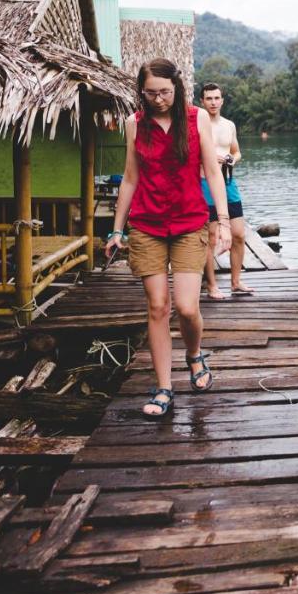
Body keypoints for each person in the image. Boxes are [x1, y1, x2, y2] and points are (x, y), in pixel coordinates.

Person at [105, 59, 231, 418]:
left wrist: (222, 220)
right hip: (147, 225)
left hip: (190, 222)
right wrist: (117, 229)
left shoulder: (196, 119)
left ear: (177, 88)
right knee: (158, 306)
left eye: (164, 92)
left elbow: (212, 170)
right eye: (150, 93)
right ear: (141, 92)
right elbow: (130, 178)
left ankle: (194, 355)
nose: (158, 99)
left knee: (188, 307)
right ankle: (163, 387)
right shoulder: (134, 123)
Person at [197, 83, 253, 297]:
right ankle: (211, 285)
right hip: (205, 182)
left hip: (228, 182)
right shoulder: (199, 125)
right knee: (211, 237)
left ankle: (236, 282)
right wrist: (210, 158)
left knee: (238, 234)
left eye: (216, 98)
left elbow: (237, 152)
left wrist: (232, 159)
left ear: (222, 100)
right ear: (202, 101)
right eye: (209, 98)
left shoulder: (229, 125)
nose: (213, 102)